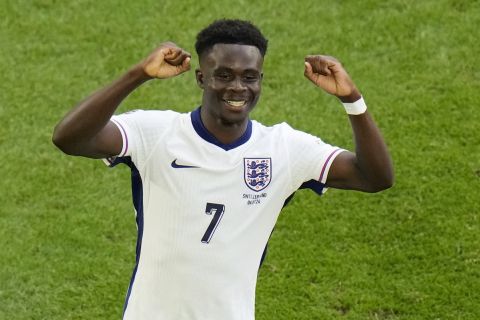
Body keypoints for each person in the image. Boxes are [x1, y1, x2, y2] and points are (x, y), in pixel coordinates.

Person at [53, 19, 393, 320]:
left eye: (250, 77)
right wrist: (138, 73)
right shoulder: (155, 133)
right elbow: (69, 138)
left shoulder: (284, 149)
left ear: (260, 80)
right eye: (223, 75)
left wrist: (353, 99)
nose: (237, 87)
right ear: (201, 78)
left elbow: (375, 177)